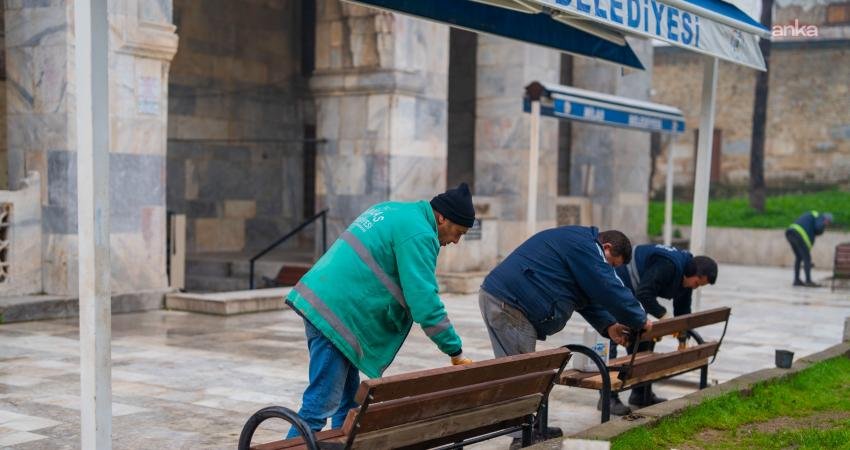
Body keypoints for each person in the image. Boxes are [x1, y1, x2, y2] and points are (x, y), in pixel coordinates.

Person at [285, 183, 476, 437]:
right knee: (319, 406)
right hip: (337, 316)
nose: (454, 241)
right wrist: (455, 351)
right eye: (458, 232)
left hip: (325, 302)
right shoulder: (419, 233)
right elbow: (425, 305)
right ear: (442, 217)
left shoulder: (393, 209)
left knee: (348, 405)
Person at [478, 226, 652, 444]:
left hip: (506, 299)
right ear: (606, 247)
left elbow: (585, 295)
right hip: (510, 302)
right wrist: (640, 318)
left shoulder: (580, 246)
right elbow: (608, 286)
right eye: (612, 264)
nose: (611, 270)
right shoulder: (588, 247)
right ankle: (522, 438)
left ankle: (531, 430)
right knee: (522, 377)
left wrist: (608, 326)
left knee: (525, 374)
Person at [606, 244, 718, 413]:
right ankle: (608, 398)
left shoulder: (686, 276)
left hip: (636, 289)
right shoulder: (669, 264)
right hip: (620, 280)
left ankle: (640, 393)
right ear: (693, 274)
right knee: (613, 334)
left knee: (644, 334)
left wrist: (682, 335)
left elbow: (682, 310)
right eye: (697, 283)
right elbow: (644, 294)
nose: (695, 287)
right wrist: (665, 318)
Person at [786, 211, 833, 287]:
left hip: (790, 232)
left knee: (799, 257)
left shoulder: (812, 215)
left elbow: (815, 230)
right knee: (807, 258)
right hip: (799, 234)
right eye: (828, 222)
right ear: (826, 219)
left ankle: (796, 280)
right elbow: (818, 227)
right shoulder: (820, 217)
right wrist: (824, 224)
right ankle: (808, 281)